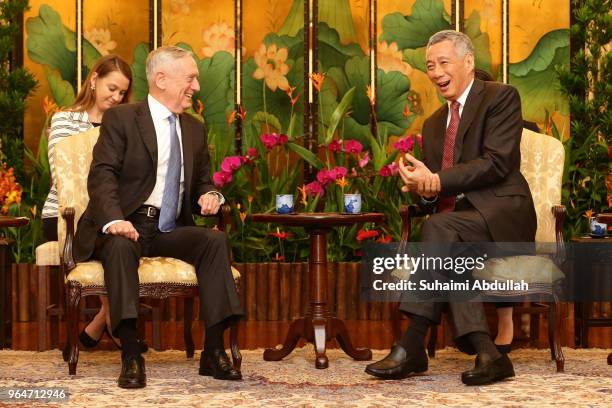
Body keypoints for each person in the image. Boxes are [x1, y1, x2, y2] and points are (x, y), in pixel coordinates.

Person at [365, 30, 536, 385]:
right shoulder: (430, 126)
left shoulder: (500, 97)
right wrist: (423, 189)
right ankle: (487, 352)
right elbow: (430, 195)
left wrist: (438, 181)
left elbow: (496, 162)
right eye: (430, 65)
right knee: (445, 236)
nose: (436, 71)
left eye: (444, 62)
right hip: (453, 229)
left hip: (501, 216)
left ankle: (412, 343)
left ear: (468, 62)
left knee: (441, 231)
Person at [72, 45, 244, 389]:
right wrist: (113, 220)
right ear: (161, 79)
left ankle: (214, 350)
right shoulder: (122, 118)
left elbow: (203, 181)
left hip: (167, 227)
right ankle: (131, 353)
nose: (195, 86)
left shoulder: (194, 129)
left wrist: (210, 195)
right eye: (191, 78)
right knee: (119, 247)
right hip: (125, 222)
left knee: (214, 240)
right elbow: (102, 174)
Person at [40, 54, 146, 352]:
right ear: (94, 79)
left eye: (122, 93)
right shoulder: (64, 120)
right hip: (65, 214)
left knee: (120, 238)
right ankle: (116, 323)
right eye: (111, 88)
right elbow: (63, 174)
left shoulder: (128, 125)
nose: (116, 97)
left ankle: (102, 319)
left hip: (111, 214)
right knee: (109, 236)